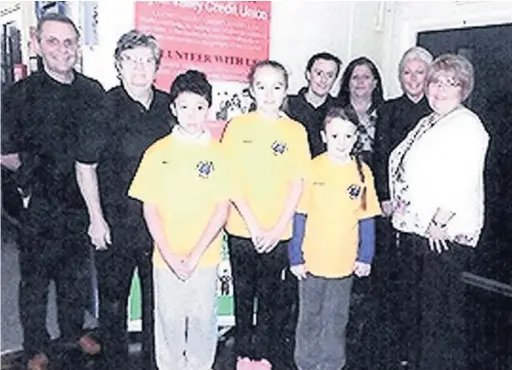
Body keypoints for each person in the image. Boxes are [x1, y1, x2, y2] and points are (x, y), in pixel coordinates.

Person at [0, 13, 104, 370]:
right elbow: (5, 151)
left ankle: (73, 333)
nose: (62, 49)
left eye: (69, 42)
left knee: (74, 277)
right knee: (35, 281)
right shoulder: (19, 94)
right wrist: (31, 182)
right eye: (53, 41)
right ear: (37, 44)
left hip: (80, 202)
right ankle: (34, 346)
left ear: (78, 47)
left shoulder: (92, 92)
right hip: (39, 203)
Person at [75, 30, 173, 370]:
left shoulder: (167, 107)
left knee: (156, 302)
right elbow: (85, 166)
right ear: (118, 65)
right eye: (131, 59)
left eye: (147, 60)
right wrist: (95, 219)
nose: (139, 68)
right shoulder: (105, 106)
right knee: (114, 304)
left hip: (160, 224)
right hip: (116, 223)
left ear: (157, 66)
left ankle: (152, 363)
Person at [388, 53, 489, 370]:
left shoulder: (467, 125)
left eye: (451, 82)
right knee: (424, 315)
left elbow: (462, 177)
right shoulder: (429, 120)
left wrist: (438, 221)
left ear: (464, 88)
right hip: (419, 230)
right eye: (435, 81)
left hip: (441, 234)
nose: (440, 89)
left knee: (440, 319)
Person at [128, 70, 233, 370]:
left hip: (206, 256)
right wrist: (170, 255)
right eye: (184, 107)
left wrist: (197, 253)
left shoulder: (219, 154)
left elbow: (221, 209)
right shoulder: (157, 152)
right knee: (169, 322)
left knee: (202, 320)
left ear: (208, 108)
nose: (192, 115)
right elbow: (150, 208)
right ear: (173, 108)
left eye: (199, 107)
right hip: (166, 258)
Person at [221, 60, 310, 370]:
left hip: (279, 232)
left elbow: (299, 182)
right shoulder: (237, 127)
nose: (269, 94)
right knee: (243, 298)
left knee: (272, 300)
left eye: (276, 86)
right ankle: (244, 355)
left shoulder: (295, 130)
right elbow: (230, 179)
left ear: (286, 90)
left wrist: (277, 227)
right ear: (251, 89)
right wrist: (254, 224)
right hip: (242, 228)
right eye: (261, 86)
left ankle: (267, 357)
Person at [289, 106, 381, 370]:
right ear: (324, 136)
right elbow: (300, 215)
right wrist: (295, 256)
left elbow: (366, 218)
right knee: (309, 317)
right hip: (312, 263)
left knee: (336, 318)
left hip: (344, 263)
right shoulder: (312, 169)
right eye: (335, 135)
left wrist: (365, 257)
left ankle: (331, 364)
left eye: (348, 136)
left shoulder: (362, 172)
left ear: (356, 138)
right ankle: (306, 363)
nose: (342, 142)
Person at [371, 46, 433, 367]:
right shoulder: (389, 109)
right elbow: (381, 155)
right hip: (390, 205)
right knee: (388, 278)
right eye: (407, 73)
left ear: (429, 75)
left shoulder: (438, 112)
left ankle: (412, 348)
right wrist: (383, 195)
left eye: (419, 72)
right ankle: (387, 346)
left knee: (417, 282)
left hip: (422, 211)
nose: (412, 79)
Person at [284, 52, 342, 157]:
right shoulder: (287, 106)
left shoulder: (341, 111)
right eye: (319, 73)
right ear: (308, 75)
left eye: (330, 75)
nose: (324, 80)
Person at [336, 57, 384, 166]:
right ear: (347, 83)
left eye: (366, 77)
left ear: (375, 83)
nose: (360, 82)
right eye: (355, 77)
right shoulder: (336, 113)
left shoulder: (387, 113)